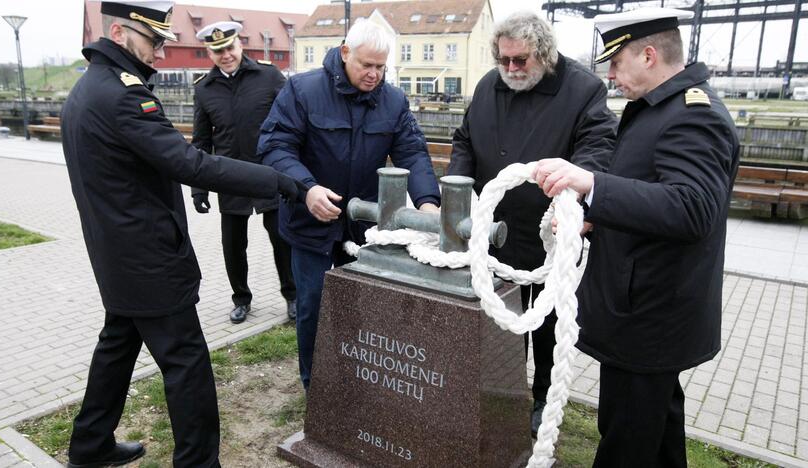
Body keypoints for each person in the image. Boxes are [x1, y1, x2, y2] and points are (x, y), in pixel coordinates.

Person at [60, 2, 305, 466]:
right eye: (153, 40)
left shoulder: (89, 87)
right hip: (148, 257)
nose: (160, 50)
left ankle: (90, 445)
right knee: (186, 363)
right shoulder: (124, 95)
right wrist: (277, 182)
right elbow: (191, 161)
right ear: (117, 31)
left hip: (116, 255)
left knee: (117, 345)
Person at [532, 7, 739, 466]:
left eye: (616, 62)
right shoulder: (660, 109)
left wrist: (591, 185)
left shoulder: (692, 116)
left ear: (648, 55)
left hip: (650, 315)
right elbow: (650, 192)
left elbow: (692, 208)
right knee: (657, 430)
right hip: (643, 310)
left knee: (625, 439)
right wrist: (594, 216)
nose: (609, 75)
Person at [447, 10, 616, 437]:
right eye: (503, 60)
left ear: (544, 53)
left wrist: (574, 198)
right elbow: (465, 139)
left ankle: (542, 397)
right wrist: (460, 187)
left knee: (545, 328)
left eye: (520, 60)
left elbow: (598, 146)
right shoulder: (489, 85)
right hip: (495, 234)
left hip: (546, 234)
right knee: (498, 324)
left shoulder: (583, 89)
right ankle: (501, 393)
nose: (510, 69)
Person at [258, 20, 441, 391]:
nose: (374, 74)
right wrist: (307, 189)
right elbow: (275, 147)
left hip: (363, 227)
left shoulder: (393, 101)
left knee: (362, 304)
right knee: (312, 305)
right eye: (366, 65)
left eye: (381, 66)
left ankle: (357, 377)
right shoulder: (302, 90)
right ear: (345, 53)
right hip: (309, 221)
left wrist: (427, 203)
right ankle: (316, 386)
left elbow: (412, 152)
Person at [190, 21, 297, 324]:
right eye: (218, 51)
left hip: (269, 172)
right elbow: (201, 143)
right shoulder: (204, 89)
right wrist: (199, 189)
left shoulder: (269, 76)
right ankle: (241, 299)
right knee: (233, 245)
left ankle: (293, 295)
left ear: (240, 45)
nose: (225, 55)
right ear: (210, 53)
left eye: (229, 48)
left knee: (281, 238)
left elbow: (292, 123)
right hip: (229, 177)